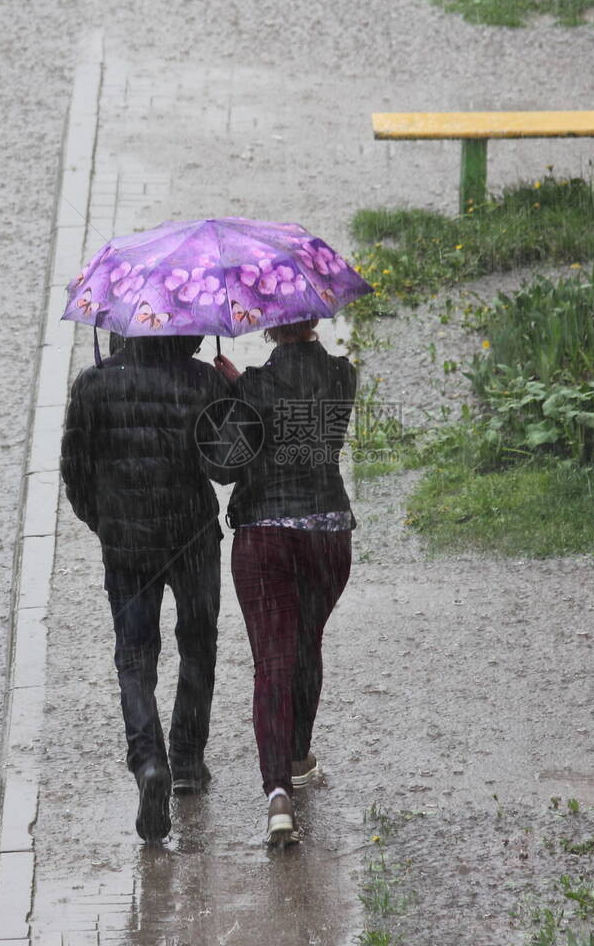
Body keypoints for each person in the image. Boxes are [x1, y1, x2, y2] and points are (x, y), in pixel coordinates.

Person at [60, 333, 229, 842]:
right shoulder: (203, 381)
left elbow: (75, 471)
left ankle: (150, 762)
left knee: (135, 656)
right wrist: (227, 395)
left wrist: (109, 523)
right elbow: (227, 468)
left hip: (128, 546)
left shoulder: (93, 385)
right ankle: (189, 760)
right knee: (197, 645)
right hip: (193, 538)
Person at [214, 318, 356, 844]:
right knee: (307, 645)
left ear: (269, 325)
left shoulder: (253, 386)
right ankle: (298, 755)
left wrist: (234, 395)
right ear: (314, 319)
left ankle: (278, 795)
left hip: (265, 538)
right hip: (328, 534)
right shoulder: (345, 376)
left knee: (272, 663)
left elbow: (226, 466)